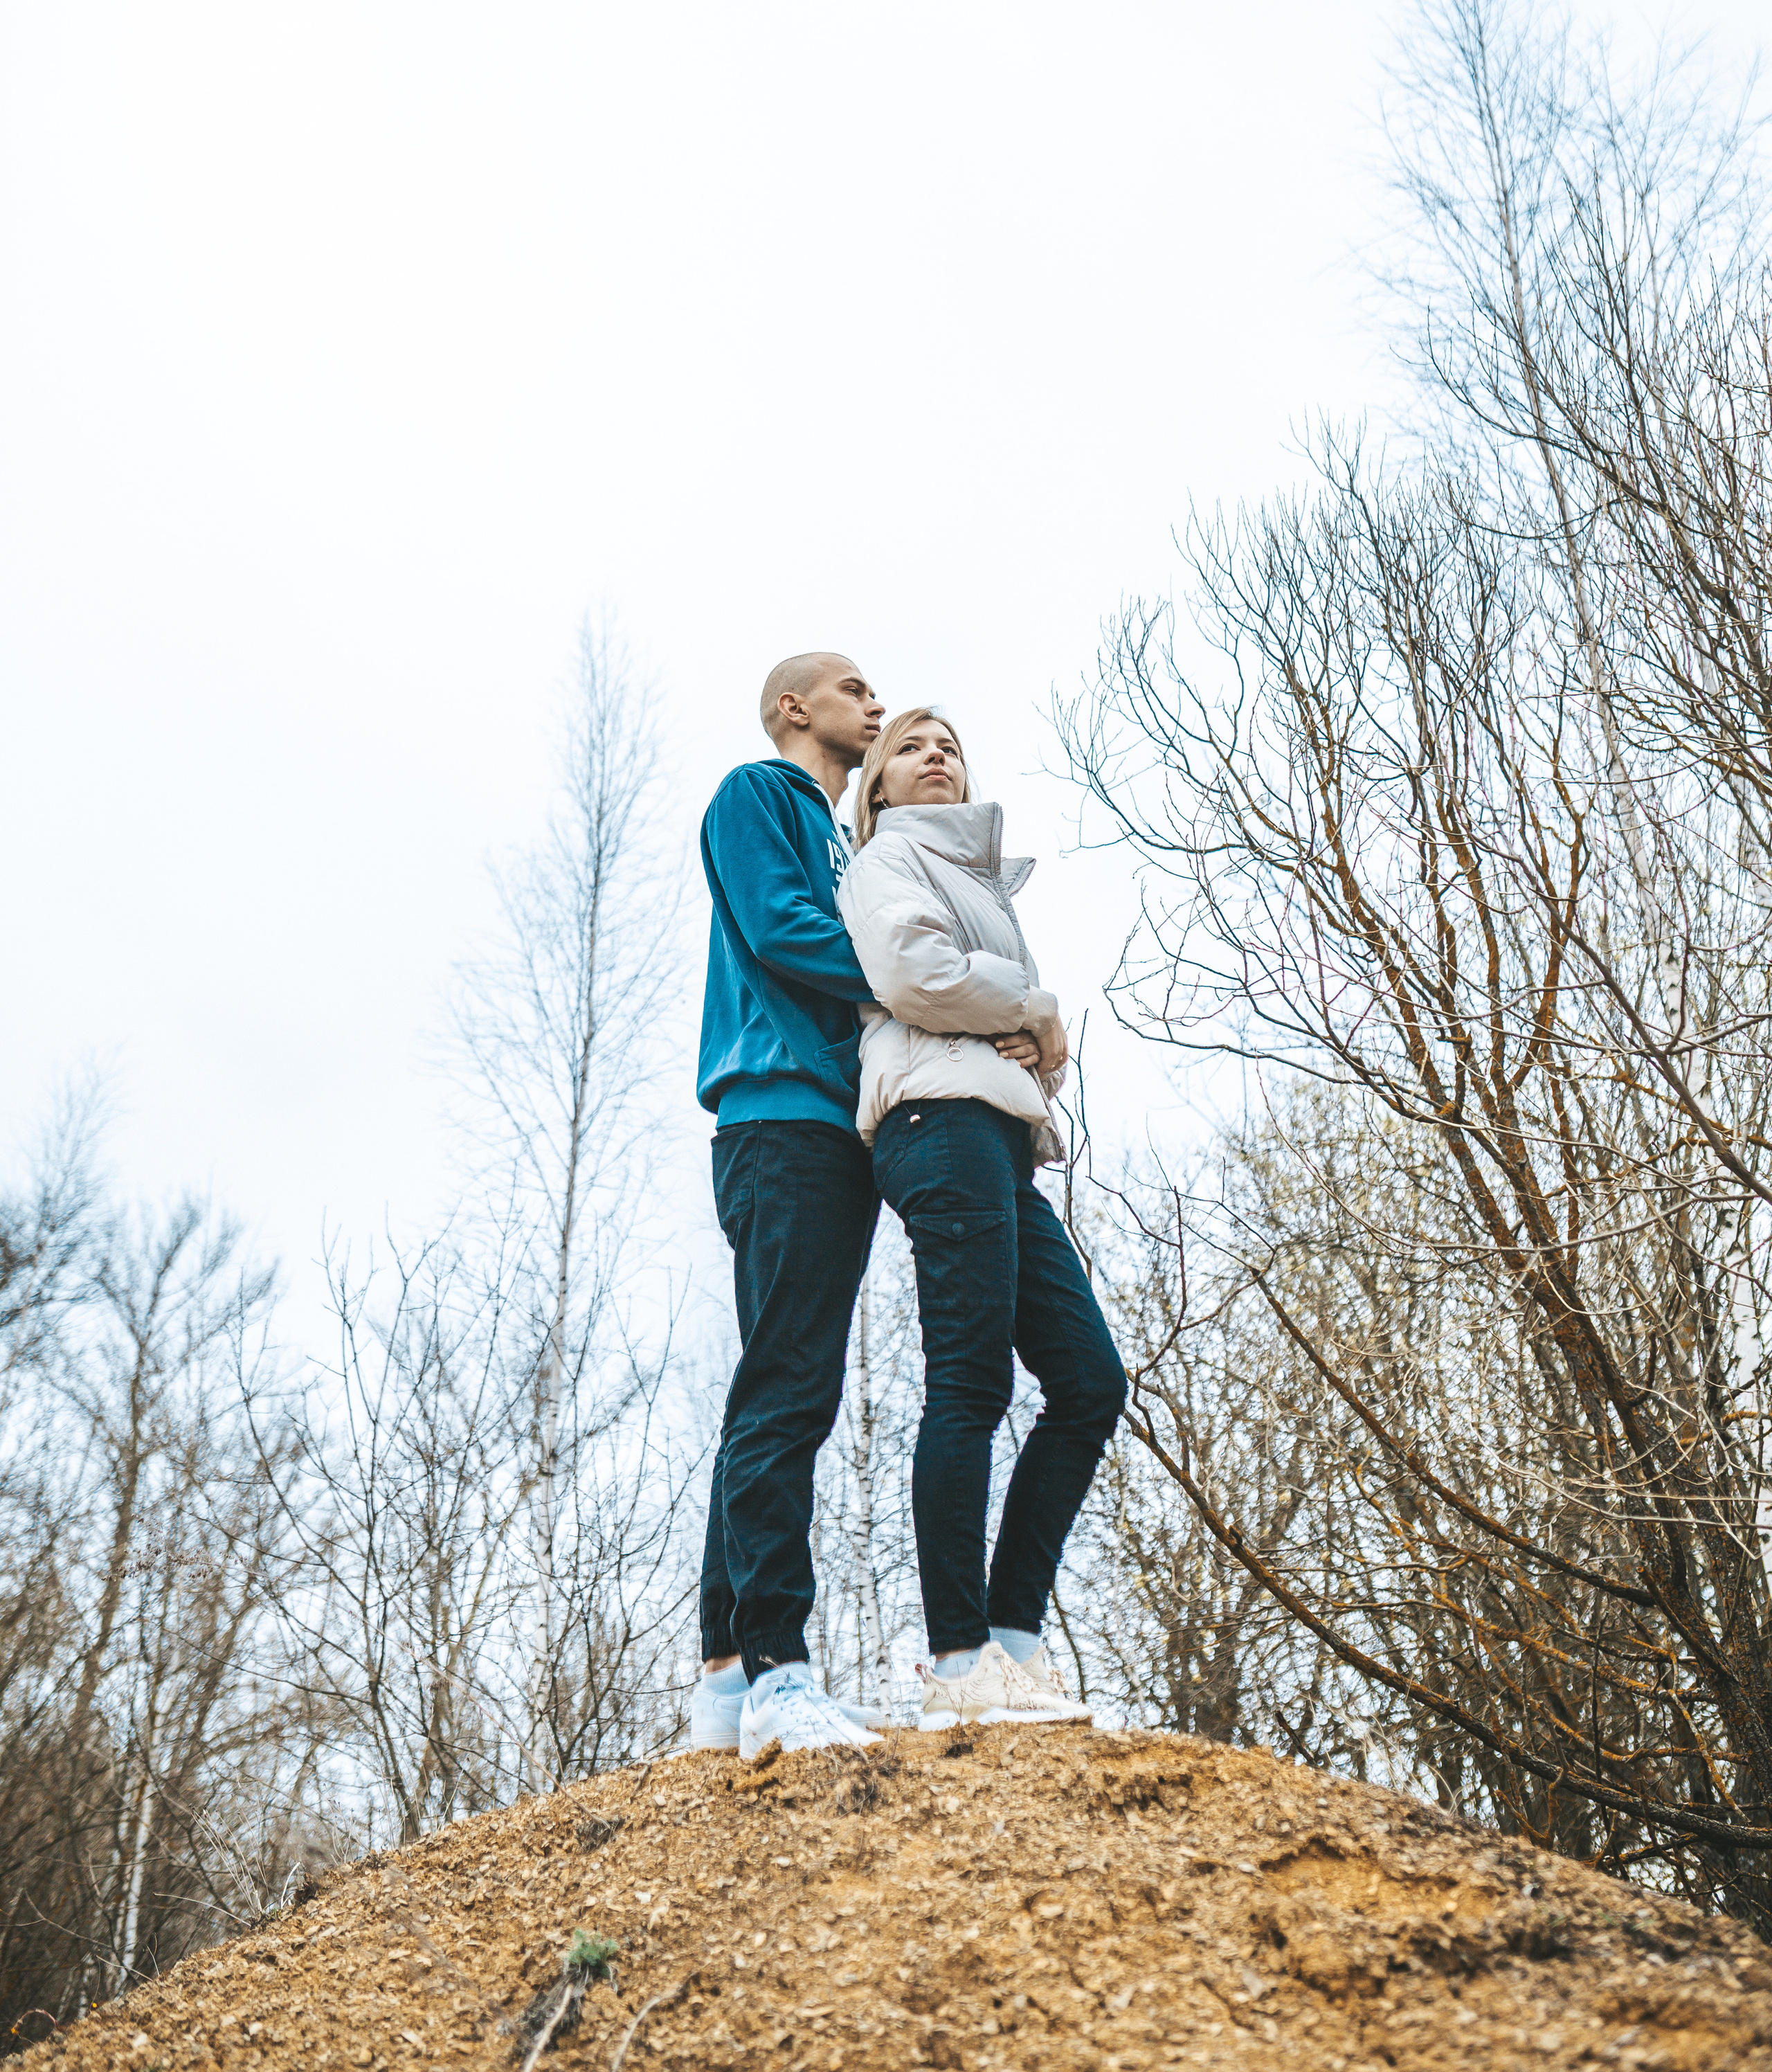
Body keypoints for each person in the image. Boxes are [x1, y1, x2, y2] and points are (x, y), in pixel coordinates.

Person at [836, 706, 1126, 1728]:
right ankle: (959, 1666)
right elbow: (914, 975)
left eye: (949, 743)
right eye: (910, 745)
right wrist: (1033, 1008)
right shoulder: (885, 860)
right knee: (969, 1379)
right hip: (935, 1123)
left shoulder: (974, 883)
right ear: (875, 786)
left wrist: (1032, 1035)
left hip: (998, 1139)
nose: (935, 755)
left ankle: (1010, 1643)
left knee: (1090, 1381)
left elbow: (997, 1018)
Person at [691, 651, 896, 1758]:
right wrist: (917, 979)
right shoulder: (760, 794)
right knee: (788, 1391)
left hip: (836, 1129)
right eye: (855, 687)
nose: (876, 700)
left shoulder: (848, 836)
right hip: (781, 1121)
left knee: (777, 1387)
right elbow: (783, 931)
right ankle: (778, 1671)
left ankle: (726, 1678)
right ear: (793, 708)